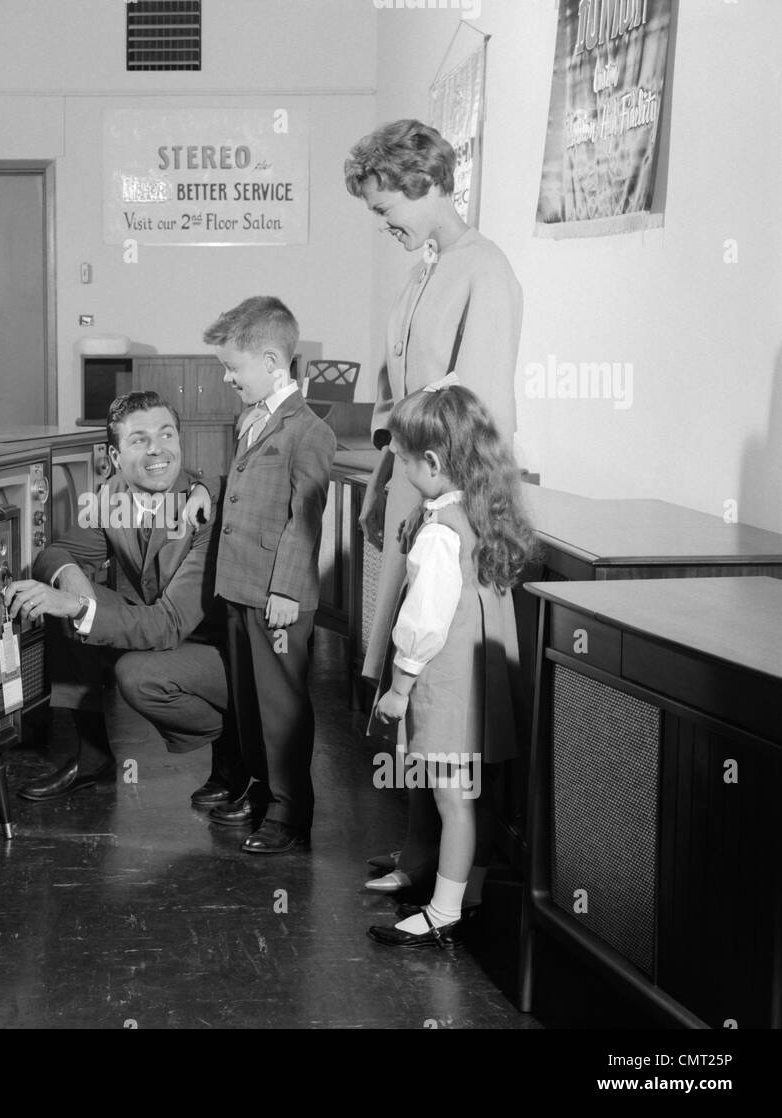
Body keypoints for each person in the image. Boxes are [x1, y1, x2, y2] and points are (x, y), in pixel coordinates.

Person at [345, 119, 523, 900]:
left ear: (423, 184)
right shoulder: (425, 268)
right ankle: (421, 853)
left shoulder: (485, 269)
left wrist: (395, 435)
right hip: (409, 492)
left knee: (442, 700)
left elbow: (470, 409)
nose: (384, 225)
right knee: (403, 685)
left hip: (450, 500)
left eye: (388, 208)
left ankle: (457, 870)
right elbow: (403, 391)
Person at [3, 392, 244, 806]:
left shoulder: (206, 510)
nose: (157, 449)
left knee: (135, 673)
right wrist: (72, 590)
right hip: (164, 629)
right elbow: (57, 553)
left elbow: (168, 625)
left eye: (167, 434)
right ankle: (92, 759)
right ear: (115, 458)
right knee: (63, 597)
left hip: (221, 656)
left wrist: (78, 608)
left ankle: (241, 742)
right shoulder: (113, 495)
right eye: (139, 439)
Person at [364, 380, 535, 947]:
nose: (402, 469)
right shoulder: (478, 512)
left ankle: (443, 912)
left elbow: (423, 623)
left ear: (433, 462)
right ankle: (472, 890)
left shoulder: (439, 533)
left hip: (446, 691)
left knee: (452, 801)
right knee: (474, 799)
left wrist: (399, 688)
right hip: (480, 692)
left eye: (405, 459)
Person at [203, 297, 335, 854]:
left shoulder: (310, 432)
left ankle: (291, 812)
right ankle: (260, 790)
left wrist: (285, 589)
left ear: (273, 360)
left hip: (276, 595)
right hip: (238, 586)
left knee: (281, 705)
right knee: (249, 700)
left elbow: (305, 520)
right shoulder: (250, 419)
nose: (229, 378)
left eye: (234, 368)